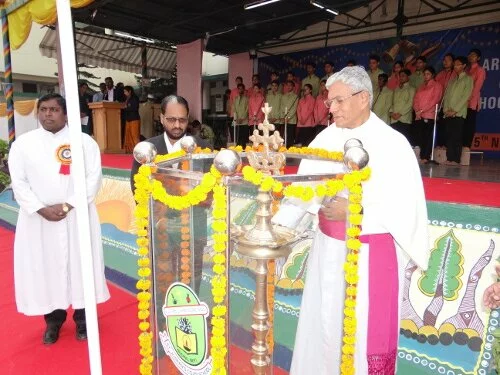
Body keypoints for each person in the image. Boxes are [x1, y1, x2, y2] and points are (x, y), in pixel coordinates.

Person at [273, 66, 429, 374]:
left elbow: (405, 205)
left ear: (364, 99)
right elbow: (303, 193)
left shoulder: (392, 143)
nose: (332, 109)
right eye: (330, 101)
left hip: (369, 256)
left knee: (357, 334)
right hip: (327, 253)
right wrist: (276, 231)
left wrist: (356, 209)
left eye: (340, 101)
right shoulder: (326, 138)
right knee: (323, 327)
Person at [9, 93, 110, 345]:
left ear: (65, 114)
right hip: (38, 220)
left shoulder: (84, 142)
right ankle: (53, 322)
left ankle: (83, 321)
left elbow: (92, 179)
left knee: (81, 266)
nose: (47, 114)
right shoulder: (23, 144)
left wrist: (69, 205)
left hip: (77, 217)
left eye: (53, 109)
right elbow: (18, 183)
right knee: (45, 269)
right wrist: (40, 208)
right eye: (43, 109)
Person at [130, 95, 210, 294]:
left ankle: (190, 318)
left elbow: (210, 188)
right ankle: (163, 319)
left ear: (188, 118)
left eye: (182, 120)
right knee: (161, 276)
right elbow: (136, 185)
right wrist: (158, 217)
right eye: (172, 119)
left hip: (193, 225)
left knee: (192, 275)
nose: (177, 125)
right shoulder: (147, 149)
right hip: (160, 225)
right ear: (162, 117)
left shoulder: (203, 149)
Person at [442, 56, 473, 165]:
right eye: (454, 64)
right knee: (449, 135)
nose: (455, 66)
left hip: (458, 113)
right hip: (448, 112)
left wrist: (454, 110)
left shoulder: (468, 79)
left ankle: (455, 159)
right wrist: (446, 109)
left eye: (457, 64)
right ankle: (449, 158)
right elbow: (446, 96)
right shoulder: (453, 80)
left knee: (456, 136)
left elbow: (466, 96)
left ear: (464, 66)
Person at [413, 67, 443, 163]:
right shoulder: (421, 86)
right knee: (420, 136)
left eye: (428, 74)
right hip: (419, 115)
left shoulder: (437, 86)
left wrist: (421, 110)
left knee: (427, 137)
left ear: (433, 75)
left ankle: (426, 156)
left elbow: (434, 100)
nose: (425, 76)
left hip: (429, 114)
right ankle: (422, 156)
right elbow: (415, 99)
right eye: (424, 74)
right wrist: (417, 110)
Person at [464, 48, 486, 151]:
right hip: (461, 103)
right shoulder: (466, 70)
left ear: (478, 58)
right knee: (462, 124)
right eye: (470, 54)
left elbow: (477, 87)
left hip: (472, 102)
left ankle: (467, 146)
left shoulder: (480, 70)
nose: (471, 56)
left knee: (469, 124)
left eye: (474, 55)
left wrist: (468, 99)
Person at [390, 69, 416, 145]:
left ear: (408, 77)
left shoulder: (411, 89)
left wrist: (400, 114)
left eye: (403, 76)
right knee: (394, 142)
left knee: (404, 142)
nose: (401, 78)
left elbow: (410, 103)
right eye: (400, 76)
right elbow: (392, 102)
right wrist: (391, 113)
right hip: (394, 119)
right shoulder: (396, 89)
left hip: (404, 119)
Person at [281, 80, 299, 147]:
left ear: (293, 87)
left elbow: (294, 108)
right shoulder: (283, 96)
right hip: (284, 119)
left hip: (291, 120)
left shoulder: (295, 97)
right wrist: (284, 117)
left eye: (290, 85)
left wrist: (288, 117)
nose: (288, 87)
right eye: (287, 85)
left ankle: (290, 153)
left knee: (290, 137)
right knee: (284, 137)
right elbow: (282, 107)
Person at [123, 86, 141, 153]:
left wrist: (126, 108)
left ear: (129, 91)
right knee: (128, 135)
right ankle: (130, 150)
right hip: (128, 119)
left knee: (134, 135)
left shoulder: (135, 98)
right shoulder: (127, 98)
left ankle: (138, 151)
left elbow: (135, 108)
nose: (124, 93)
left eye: (125, 91)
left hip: (134, 119)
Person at [232, 83, 250, 147]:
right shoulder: (235, 99)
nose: (240, 90)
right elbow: (234, 109)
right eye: (239, 89)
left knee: (244, 138)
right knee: (238, 138)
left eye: (241, 89)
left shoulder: (247, 99)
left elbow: (247, 109)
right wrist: (237, 118)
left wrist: (242, 118)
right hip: (237, 121)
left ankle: (244, 152)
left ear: (244, 90)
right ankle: (238, 152)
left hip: (244, 121)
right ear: (237, 90)